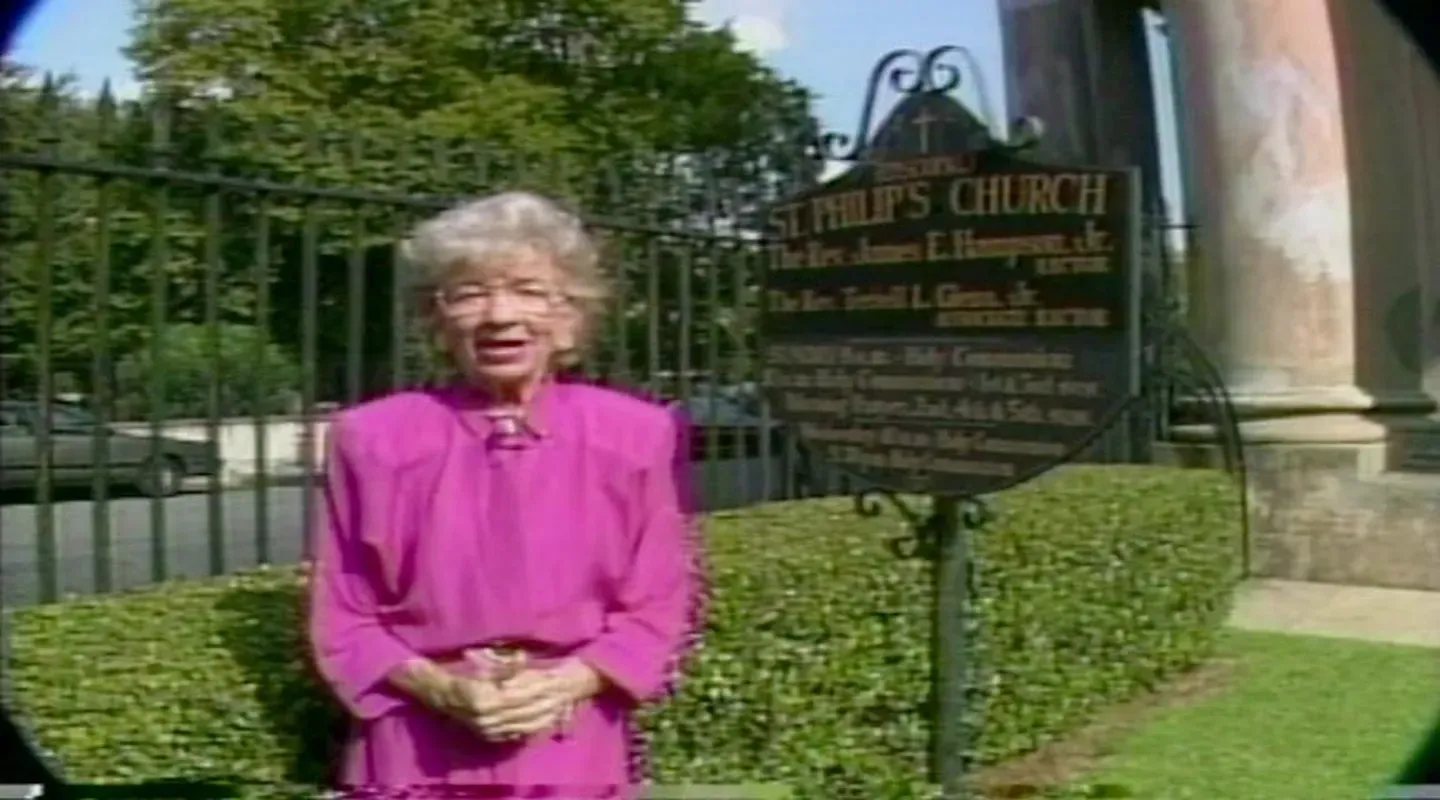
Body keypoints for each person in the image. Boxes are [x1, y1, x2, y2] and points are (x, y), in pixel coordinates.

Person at [307, 191, 704, 797]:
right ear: (435, 318)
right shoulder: (371, 438)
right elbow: (344, 615)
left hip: (572, 743)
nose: (499, 315)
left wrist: (568, 682)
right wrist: (443, 689)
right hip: (415, 743)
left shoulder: (637, 433)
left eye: (528, 289)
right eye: (469, 293)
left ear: (571, 315)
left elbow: (658, 602)